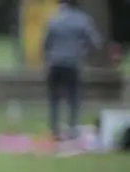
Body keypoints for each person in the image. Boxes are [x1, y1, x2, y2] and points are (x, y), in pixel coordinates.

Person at [41, 0, 103, 146]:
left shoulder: (53, 19)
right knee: (74, 97)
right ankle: (73, 128)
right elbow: (96, 42)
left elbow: (45, 44)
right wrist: (84, 50)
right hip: (72, 63)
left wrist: (48, 57)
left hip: (55, 63)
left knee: (54, 98)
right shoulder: (83, 20)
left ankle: (54, 129)